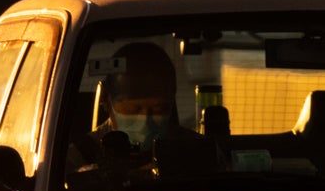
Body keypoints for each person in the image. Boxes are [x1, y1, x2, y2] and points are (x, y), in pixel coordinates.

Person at [72, 41, 217, 175]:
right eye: (133, 109)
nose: (145, 122)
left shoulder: (200, 151)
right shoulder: (79, 158)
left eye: (157, 108)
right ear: (106, 101)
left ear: (171, 102)